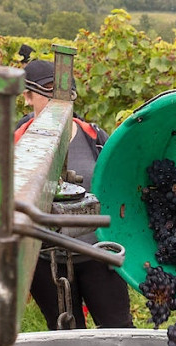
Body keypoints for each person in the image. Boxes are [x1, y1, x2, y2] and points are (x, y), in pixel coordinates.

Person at [16, 59, 134, 330]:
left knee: (119, 329)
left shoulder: (95, 138)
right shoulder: (18, 146)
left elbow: (117, 190)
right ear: (27, 96)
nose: (59, 100)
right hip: (47, 265)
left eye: (65, 91)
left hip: (99, 257)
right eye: (48, 91)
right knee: (67, 338)